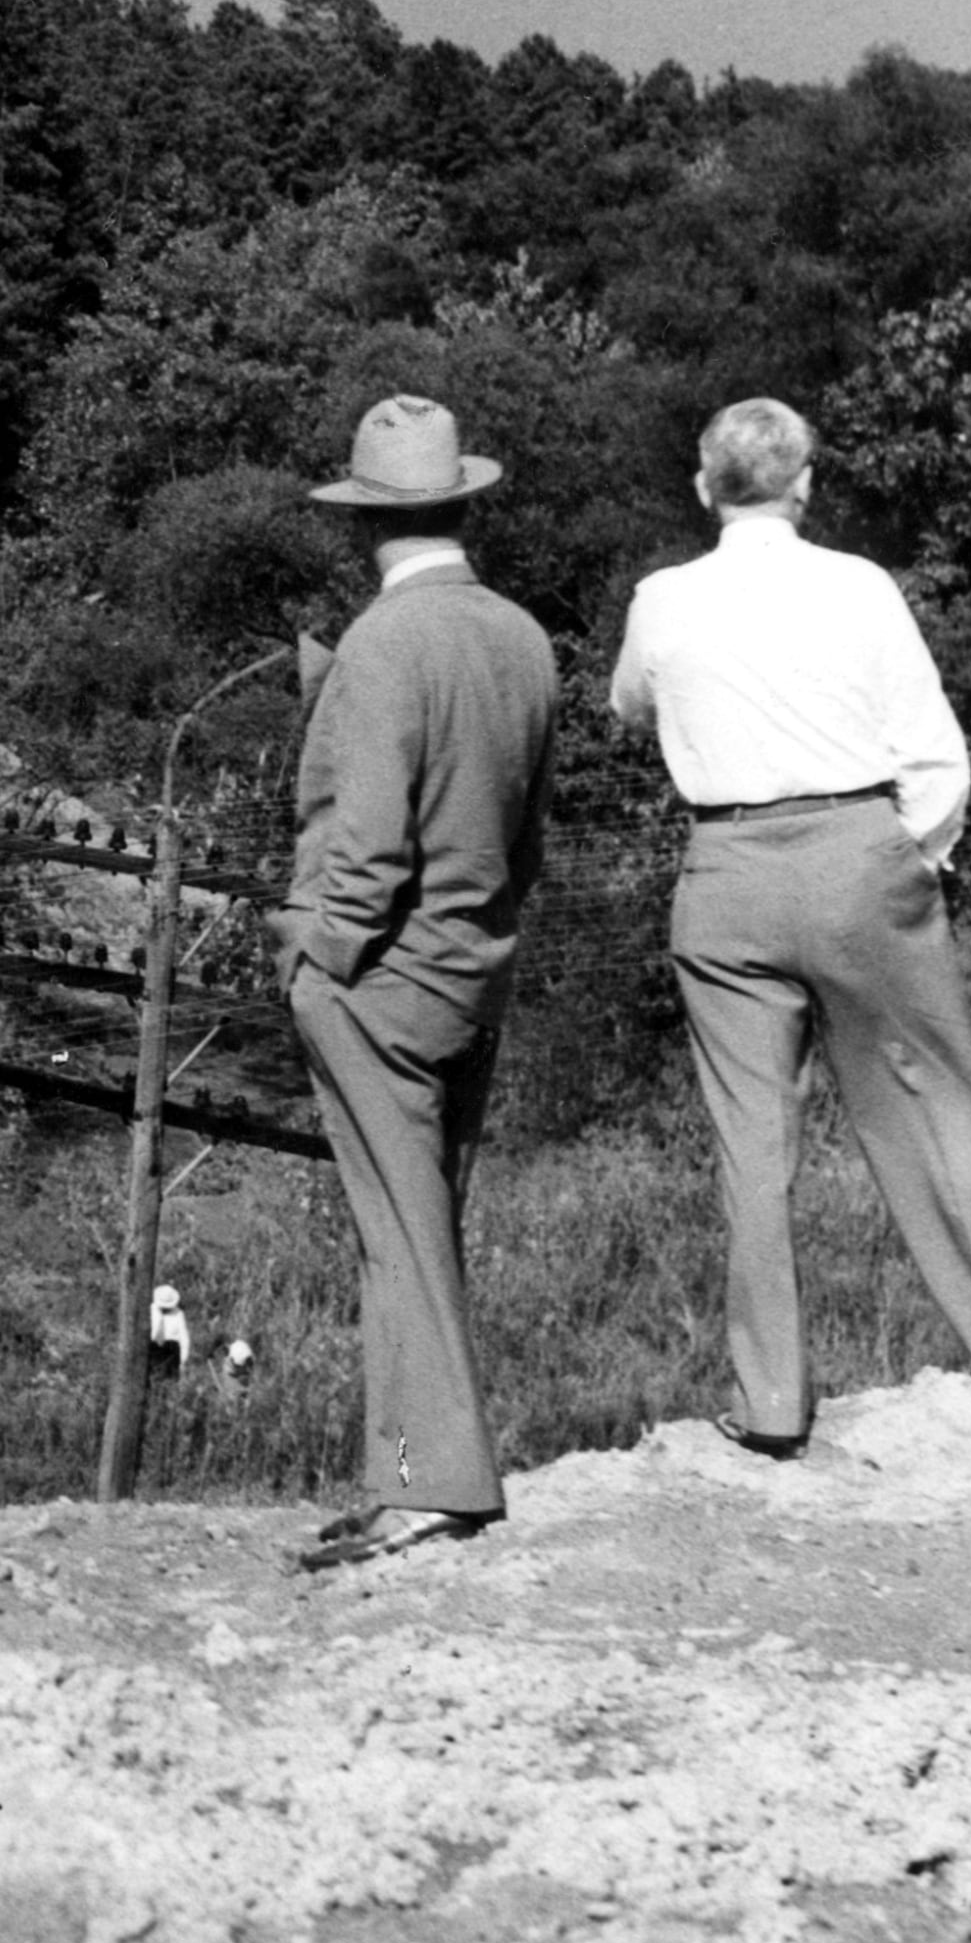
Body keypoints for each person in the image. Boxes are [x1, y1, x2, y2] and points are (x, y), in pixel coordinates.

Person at [608, 397, 971, 1453]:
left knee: (751, 1144)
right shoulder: (860, 586)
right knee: (943, 1106)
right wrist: (909, 860)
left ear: (704, 488)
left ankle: (769, 1404)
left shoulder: (662, 598)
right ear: (806, 485)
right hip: (857, 854)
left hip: (726, 867)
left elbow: (630, 707)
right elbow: (935, 754)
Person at [275, 397, 561, 1571]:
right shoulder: (523, 637)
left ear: (364, 524)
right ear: (459, 503)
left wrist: (317, 953)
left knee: (395, 1231)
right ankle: (400, 1476)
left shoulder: (384, 646)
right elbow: (531, 834)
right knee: (414, 1227)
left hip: (380, 979)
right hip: (473, 971)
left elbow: (372, 846)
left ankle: (434, 1478)